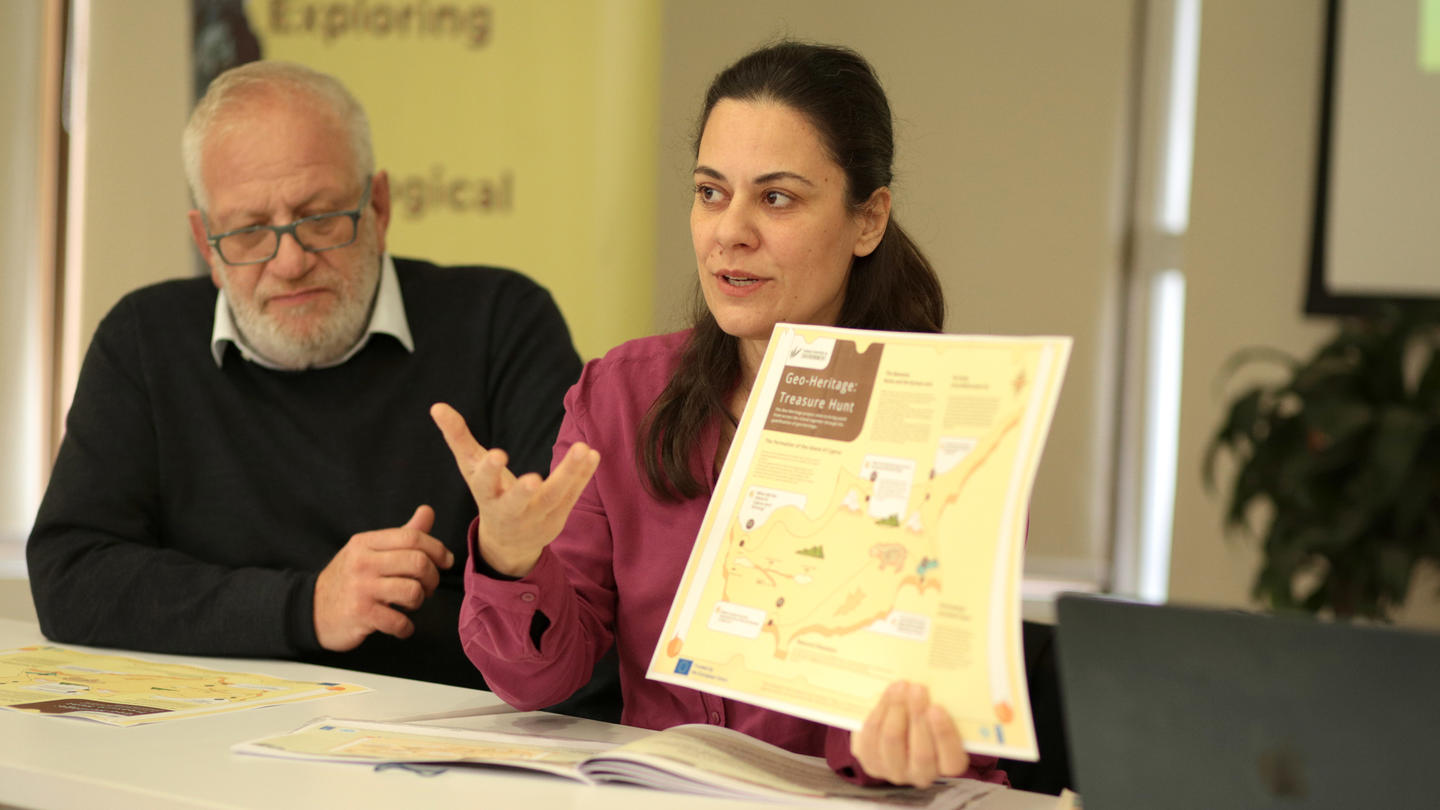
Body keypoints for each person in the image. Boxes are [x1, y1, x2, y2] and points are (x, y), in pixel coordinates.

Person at [431, 42, 1006, 785]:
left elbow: (953, 731)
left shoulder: (947, 418)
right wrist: (513, 560)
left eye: (776, 198)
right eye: (710, 192)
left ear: (868, 221)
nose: (729, 231)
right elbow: (543, 680)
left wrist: (907, 745)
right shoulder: (621, 395)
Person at [26, 61, 617, 721]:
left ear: (380, 206)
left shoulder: (501, 322)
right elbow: (72, 578)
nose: (289, 260)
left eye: (320, 216)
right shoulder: (144, 338)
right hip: (211, 744)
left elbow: (575, 605)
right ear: (205, 243)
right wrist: (309, 606)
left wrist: (496, 567)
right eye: (248, 231)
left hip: (453, 741)